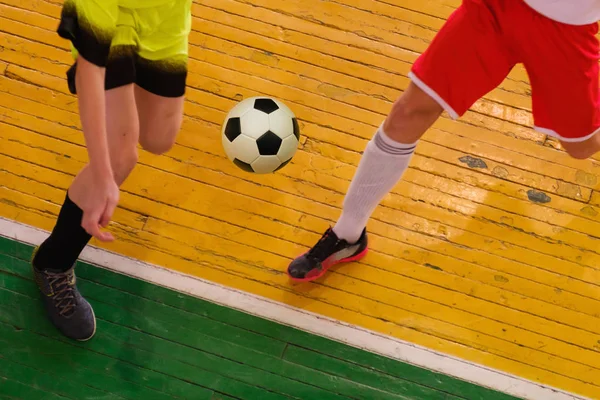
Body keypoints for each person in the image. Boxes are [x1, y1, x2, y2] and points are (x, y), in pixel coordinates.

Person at [287, 0, 600, 282]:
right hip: (496, 8)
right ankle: (348, 234)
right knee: (409, 111)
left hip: (566, 33)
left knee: (580, 146)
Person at [31, 0, 192, 340]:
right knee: (121, 156)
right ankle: (53, 262)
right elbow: (91, 69)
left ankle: (123, 79)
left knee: (159, 139)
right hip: (111, 22)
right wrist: (104, 177)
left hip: (165, 19)